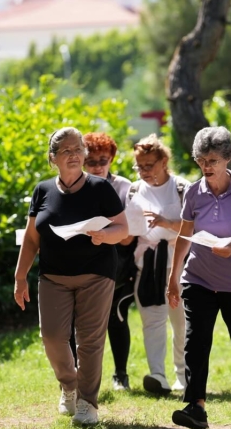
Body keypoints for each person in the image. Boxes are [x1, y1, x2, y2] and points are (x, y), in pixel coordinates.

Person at [13, 127, 128, 426]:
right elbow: (31, 238)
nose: (74, 154)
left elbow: (123, 229)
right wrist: (20, 276)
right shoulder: (42, 190)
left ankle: (88, 402)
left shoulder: (101, 188)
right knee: (51, 336)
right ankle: (69, 385)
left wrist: (104, 236)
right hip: (53, 276)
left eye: (78, 149)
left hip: (96, 274)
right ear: (53, 159)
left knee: (89, 341)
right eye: (66, 150)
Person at [166, 127, 231, 429]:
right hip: (198, 279)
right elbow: (185, 235)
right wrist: (174, 277)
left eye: (212, 160)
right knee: (195, 343)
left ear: (228, 158)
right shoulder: (194, 192)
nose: (206, 167)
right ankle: (196, 407)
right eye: (201, 160)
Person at [124, 134, 190, 395]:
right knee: (152, 320)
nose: (143, 171)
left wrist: (167, 223)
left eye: (148, 165)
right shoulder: (134, 189)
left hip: (179, 261)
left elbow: (194, 227)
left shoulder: (182, 187)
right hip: (147, 263)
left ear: (164, 161)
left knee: (181, 321)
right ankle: (158, 376)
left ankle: (183, 377)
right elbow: (129, 230)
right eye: (138, 166)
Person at [82, 132, 136, 391]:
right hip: (82, 262)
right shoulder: (73, 186)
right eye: (91, 161)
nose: (98, 166)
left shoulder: (125, 187)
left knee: (117, 317)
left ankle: (121, 374)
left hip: (118, 263)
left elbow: (128, 237)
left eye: (103, 160)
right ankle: (79, 378)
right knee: (80, 322)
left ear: (112, 159)